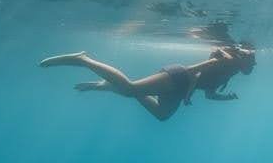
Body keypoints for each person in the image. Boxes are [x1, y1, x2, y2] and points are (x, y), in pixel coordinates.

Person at [39, 42, 256, 121]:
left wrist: (226, 97)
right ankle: (83, 60)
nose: (254, 65)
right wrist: (189, 93)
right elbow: (197, 71)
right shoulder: (228, 61)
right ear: (244, 59)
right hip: (178, 76)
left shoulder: (230, 73)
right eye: (252, 61)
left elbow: (209, 93)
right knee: (130, 89)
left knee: (162, 115)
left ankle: (109, 86)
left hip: (180, 88)